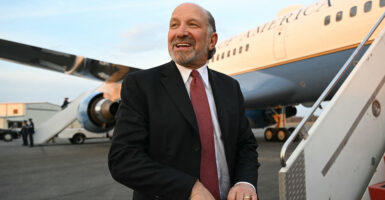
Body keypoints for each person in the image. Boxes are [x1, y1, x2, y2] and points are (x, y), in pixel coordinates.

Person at [108, 3, 259, 200]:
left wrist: (245, 182)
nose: (180, 32)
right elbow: (123, 159)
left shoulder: (230, 87)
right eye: (174, 25)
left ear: (212, 40)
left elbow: (246, 146)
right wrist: (189, 188)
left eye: (193, 25)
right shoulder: (141, 85)